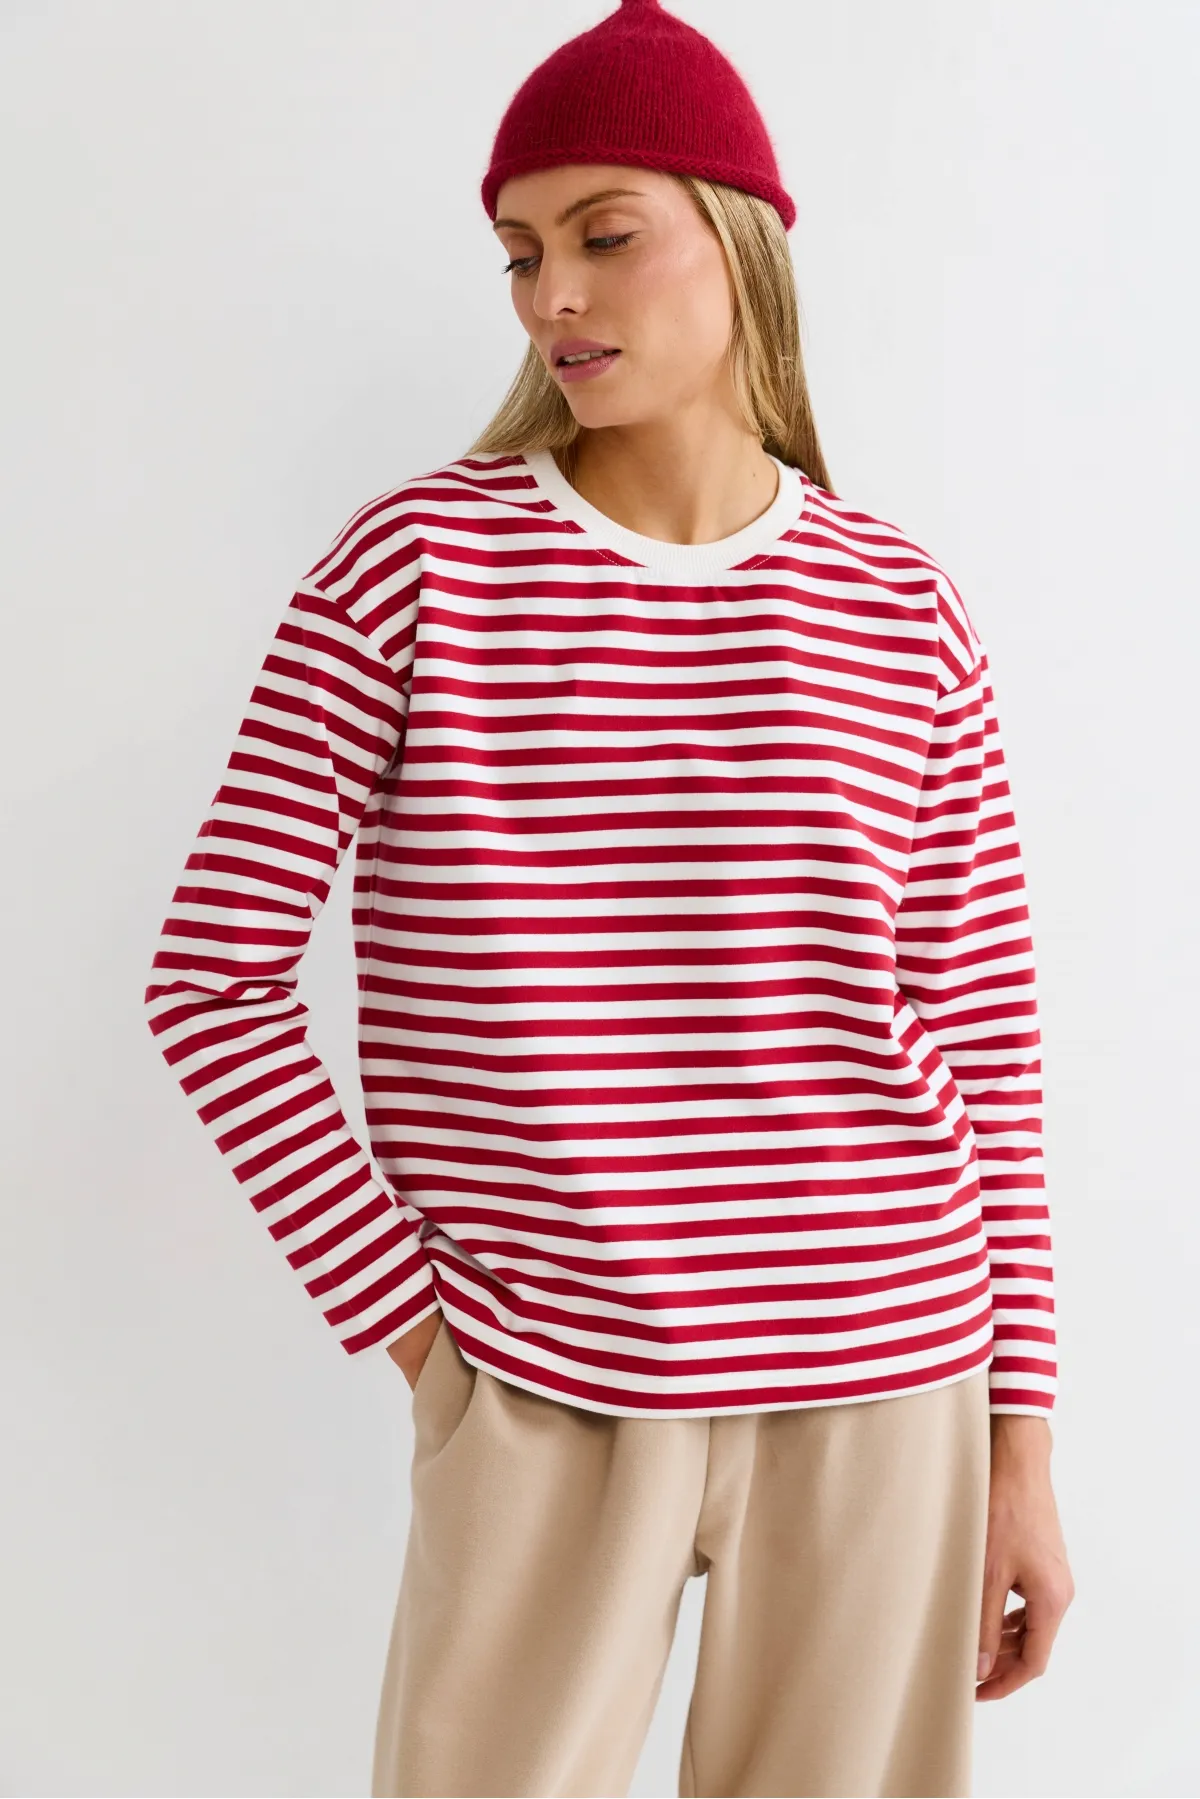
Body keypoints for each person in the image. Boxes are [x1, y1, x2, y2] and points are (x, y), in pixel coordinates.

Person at [144, 1, 1074, 1792]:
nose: (550, 296)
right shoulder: (416, 567)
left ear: (741, 239)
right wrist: (426, 1337)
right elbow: (213, 983)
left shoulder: (900, 606)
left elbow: (983, 1037)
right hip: (544, 1376)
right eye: (519, 252)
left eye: (604, 234)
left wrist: (1019, 1446)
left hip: (889, 1371)